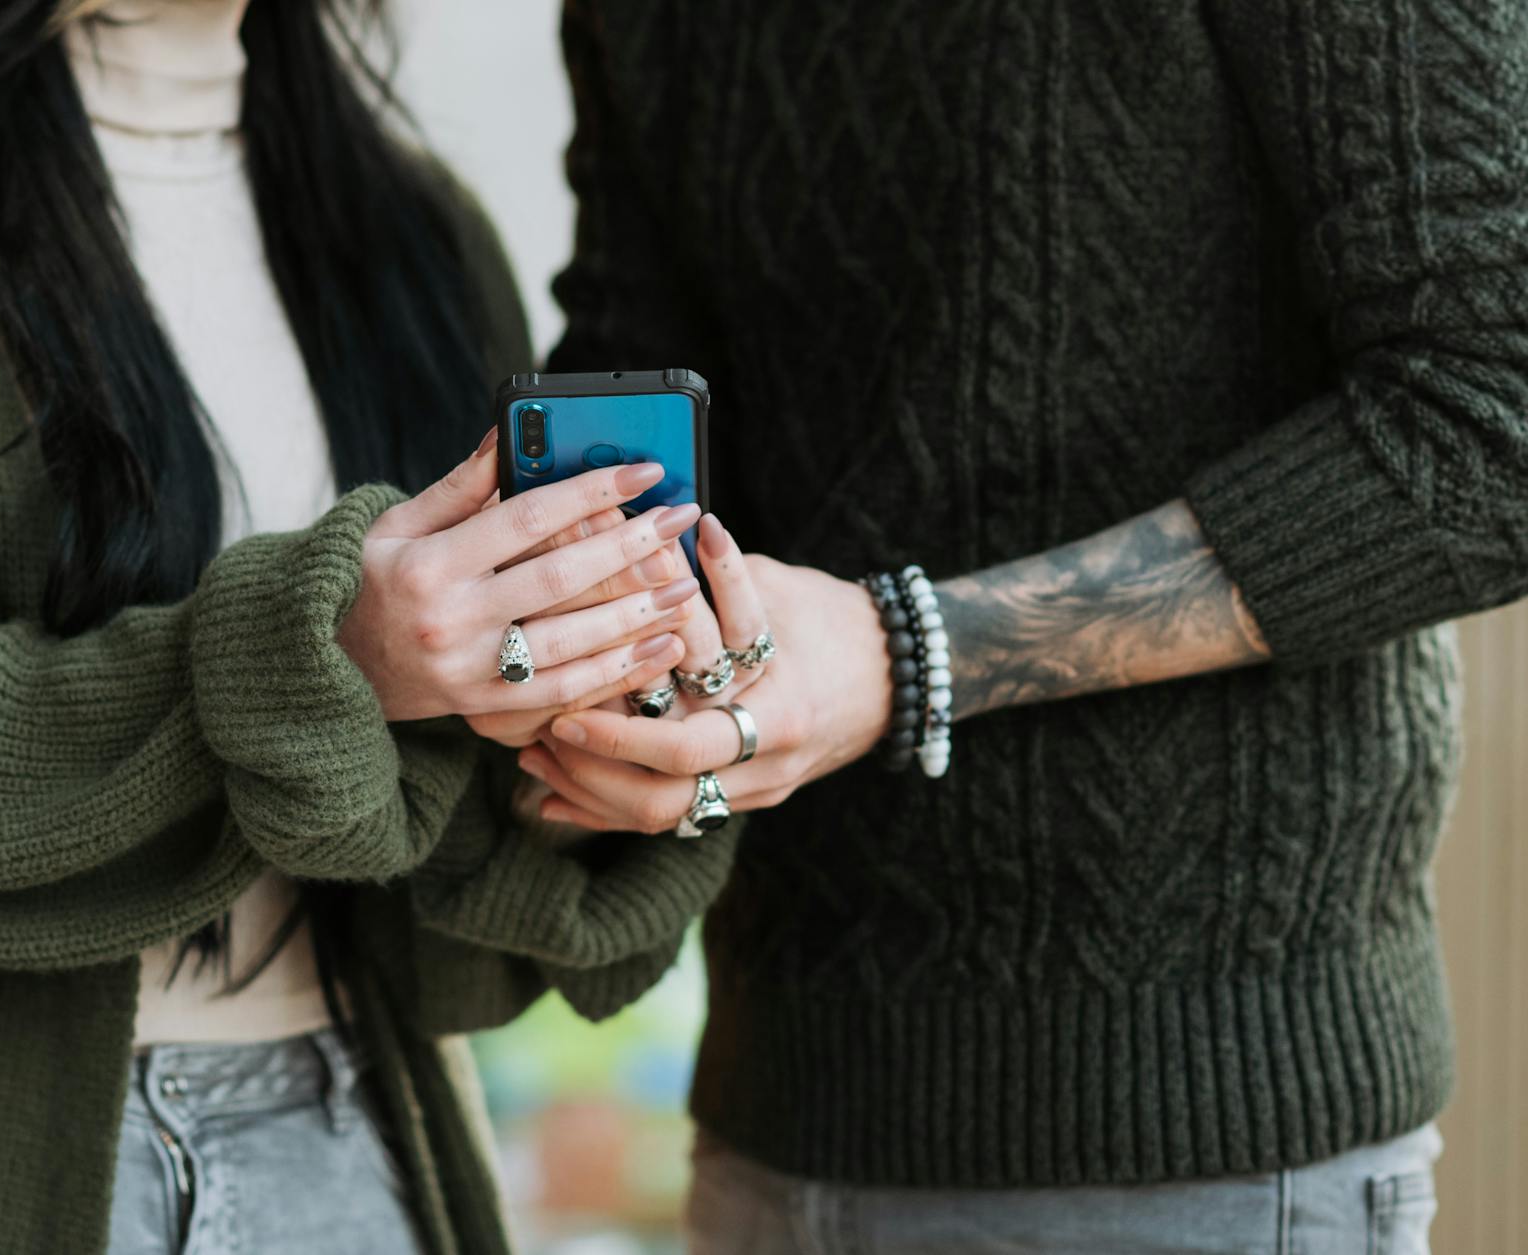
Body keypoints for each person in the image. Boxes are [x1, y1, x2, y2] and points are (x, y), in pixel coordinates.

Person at [0, 2, 742, 1252]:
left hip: (341, 1143)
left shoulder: (414, 227)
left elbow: (444, 914)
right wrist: (324, 660)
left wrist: (574, 762)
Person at [527, 1, 1528, 1252]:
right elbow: (637, 373)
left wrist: (906, 652)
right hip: (774, 1102)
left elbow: (1493, 420)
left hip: (1200, 1124)